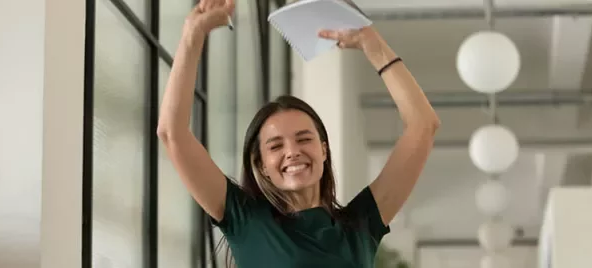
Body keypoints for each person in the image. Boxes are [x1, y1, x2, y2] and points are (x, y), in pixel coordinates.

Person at [156, 0, 440, 267]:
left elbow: (423, 126)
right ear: (261, 166)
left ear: (324, 150)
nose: (292, 151)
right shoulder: (244, 220)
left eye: (304, 139)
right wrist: (193, 36)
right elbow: (172, 133)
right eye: (275, 146)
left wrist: (374, 46)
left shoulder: (362, 223)